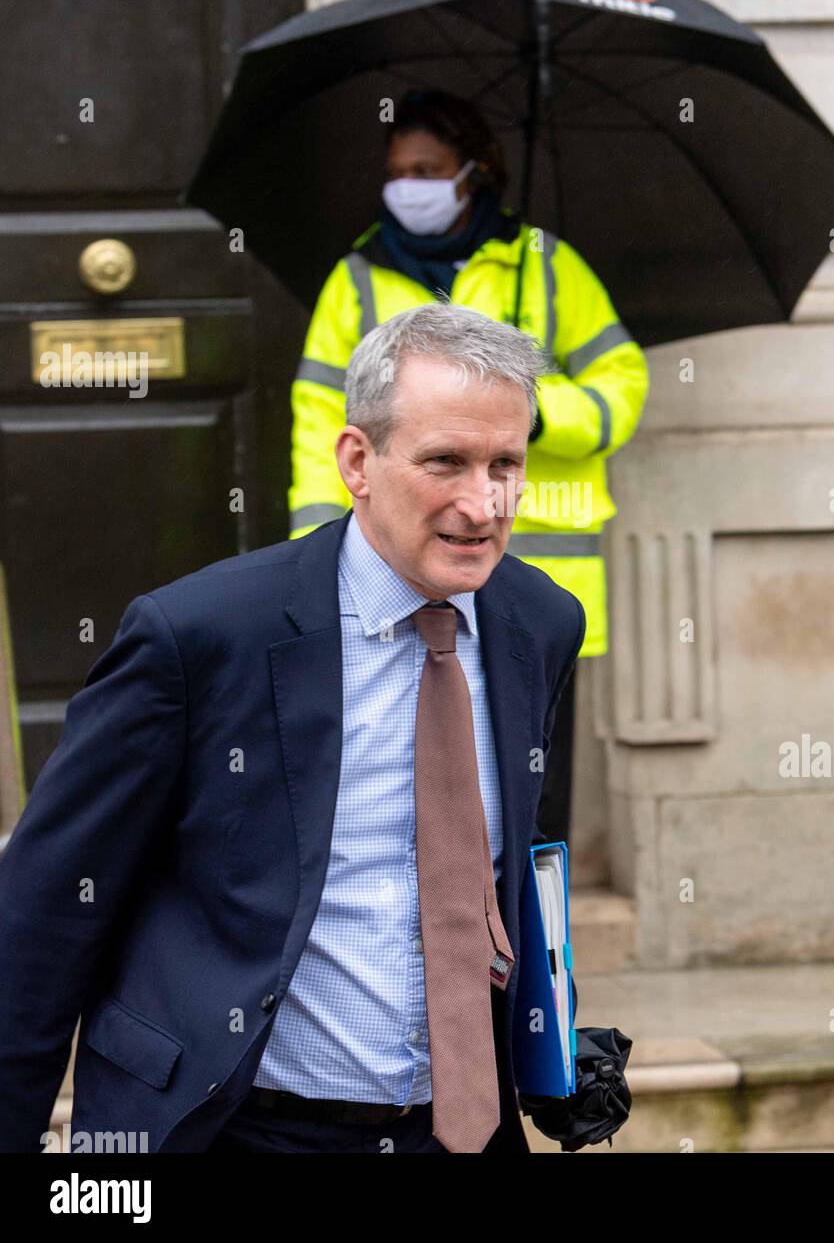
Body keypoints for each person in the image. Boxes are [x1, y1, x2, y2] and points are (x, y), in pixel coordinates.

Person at [0, 306, 584, 1154]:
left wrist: (553, 1036)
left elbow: (502, 859)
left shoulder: (540, 622)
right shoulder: (197, 634)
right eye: (445, 463)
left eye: (505, 464)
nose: (482, 502)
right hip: (233, 1129)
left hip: (460, 1132)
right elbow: (45, 916)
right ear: (358, 461)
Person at [289, 89, 648, 845]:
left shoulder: (546, 267)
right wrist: (315, 556)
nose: (408, 186)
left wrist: (536, 413)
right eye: (397, 171)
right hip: (391, 582)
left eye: (428, 168)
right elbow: (322, 421)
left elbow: (623, 387)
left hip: (541, 585)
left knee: (529, 805)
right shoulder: (357, 279)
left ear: (474, 172)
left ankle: (539, 954)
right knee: (404, 788)